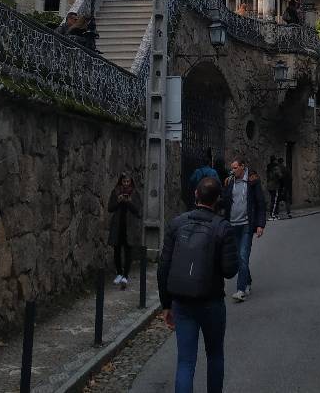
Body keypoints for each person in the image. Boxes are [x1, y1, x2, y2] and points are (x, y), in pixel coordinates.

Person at [159, 177, 238, 393]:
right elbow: (230, 270)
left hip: (182, 302)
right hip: (211, 301)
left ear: (195, 194)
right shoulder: (222, 227)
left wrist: (166, 305)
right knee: (214, 355)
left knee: (185, 361)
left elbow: (164, 266)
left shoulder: (176, 224)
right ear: (218, 199)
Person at [222, 155, 266, 301]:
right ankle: (247, 281)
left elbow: (260, 203)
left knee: (243, 255)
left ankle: (241, 290)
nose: (232, 170)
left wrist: (260, 224)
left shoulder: (252, 181)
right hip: (232, 224)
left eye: (235, 168)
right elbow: (225, 202)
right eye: (232, 168)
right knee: (238, 257)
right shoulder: (230, 182)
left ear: (242, 167)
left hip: (247, 224)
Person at [108, 173, 142, 287]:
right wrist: (118, 201)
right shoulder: (116, 191)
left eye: (128, 182)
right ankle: (119, 273)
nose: (126, 184)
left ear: (131, 182)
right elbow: (110, 208)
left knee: (128, 251)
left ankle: (126, 275)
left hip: (130, 227)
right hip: (118, 226)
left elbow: (137, 211)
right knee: (116, 250)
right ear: (121, 182)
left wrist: (128, 201)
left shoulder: (135, 193)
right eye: (124, 181)